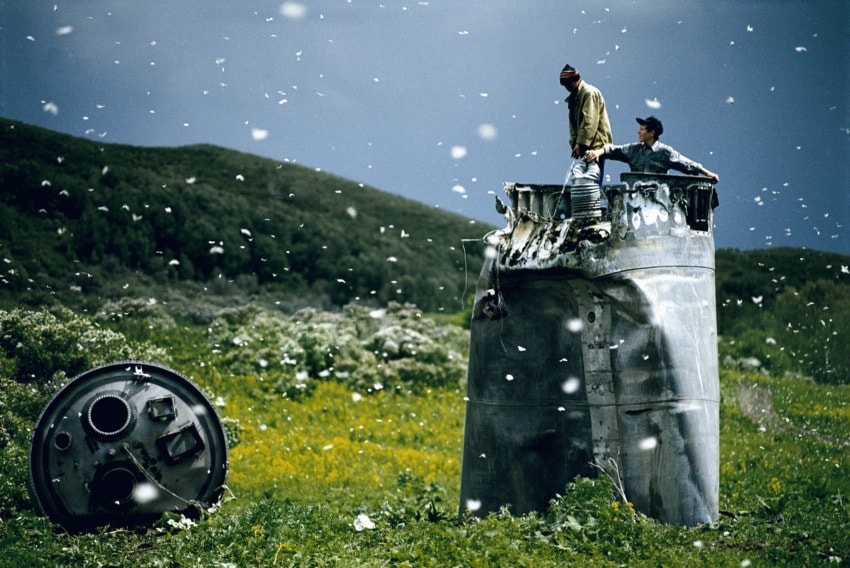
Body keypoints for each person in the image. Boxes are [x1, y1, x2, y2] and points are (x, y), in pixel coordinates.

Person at [586, 116, 720, 182]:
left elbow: (687, 164)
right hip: (634, 199)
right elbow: (614, 150)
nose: (638, 132)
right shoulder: (634, 150)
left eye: (642, 129)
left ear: (651, 133)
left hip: (657, 201)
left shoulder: (664, 152)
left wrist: (707, 173)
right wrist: (597, 152)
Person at [560, 64, 613, 186]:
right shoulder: (574, 97)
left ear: (575, 80)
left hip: (596, 145)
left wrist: (581, 143)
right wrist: (575, 143)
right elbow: (573, 125)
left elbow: (589, 121)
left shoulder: (589, 93)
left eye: (568, 84)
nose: (566, 88)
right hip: (585, 145)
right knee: (584, 183)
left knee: (593, 183)